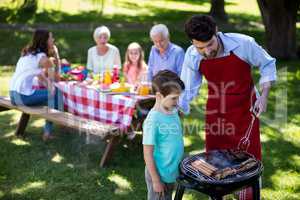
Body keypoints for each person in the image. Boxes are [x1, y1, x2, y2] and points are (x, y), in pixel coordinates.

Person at [179, 15, 277, 200]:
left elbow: (267, 63)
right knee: (214, 164)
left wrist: (263, 96)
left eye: (210, 44)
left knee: (248, 160)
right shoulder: (192, 55)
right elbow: (187, 91)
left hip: (245, 110)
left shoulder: (243, 43)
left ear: (216, 32)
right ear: (192, 43)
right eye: (200, 47)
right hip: (216, 111)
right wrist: (174, 113)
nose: (207, 51)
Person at [9, 29, 61, 141]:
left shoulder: (28, 53)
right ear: (45, 41)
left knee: (51, 95)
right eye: (51, 38)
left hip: (13, 95)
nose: (53, 40)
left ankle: (53, 127)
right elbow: (57, 77)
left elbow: (39, 75)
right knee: (58, 94)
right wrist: (56, 54)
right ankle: (49, 131)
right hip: (22, 97)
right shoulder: (42, 57)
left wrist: (48, 86)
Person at [143, 70, 185, 200]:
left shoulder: (172, 110)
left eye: (178, 97)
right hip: (159, 174)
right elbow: (147, 153)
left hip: (170, 171)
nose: (177, 101)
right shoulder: (153, 120)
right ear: (159, 96)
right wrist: (156, 180)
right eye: (174, 98)